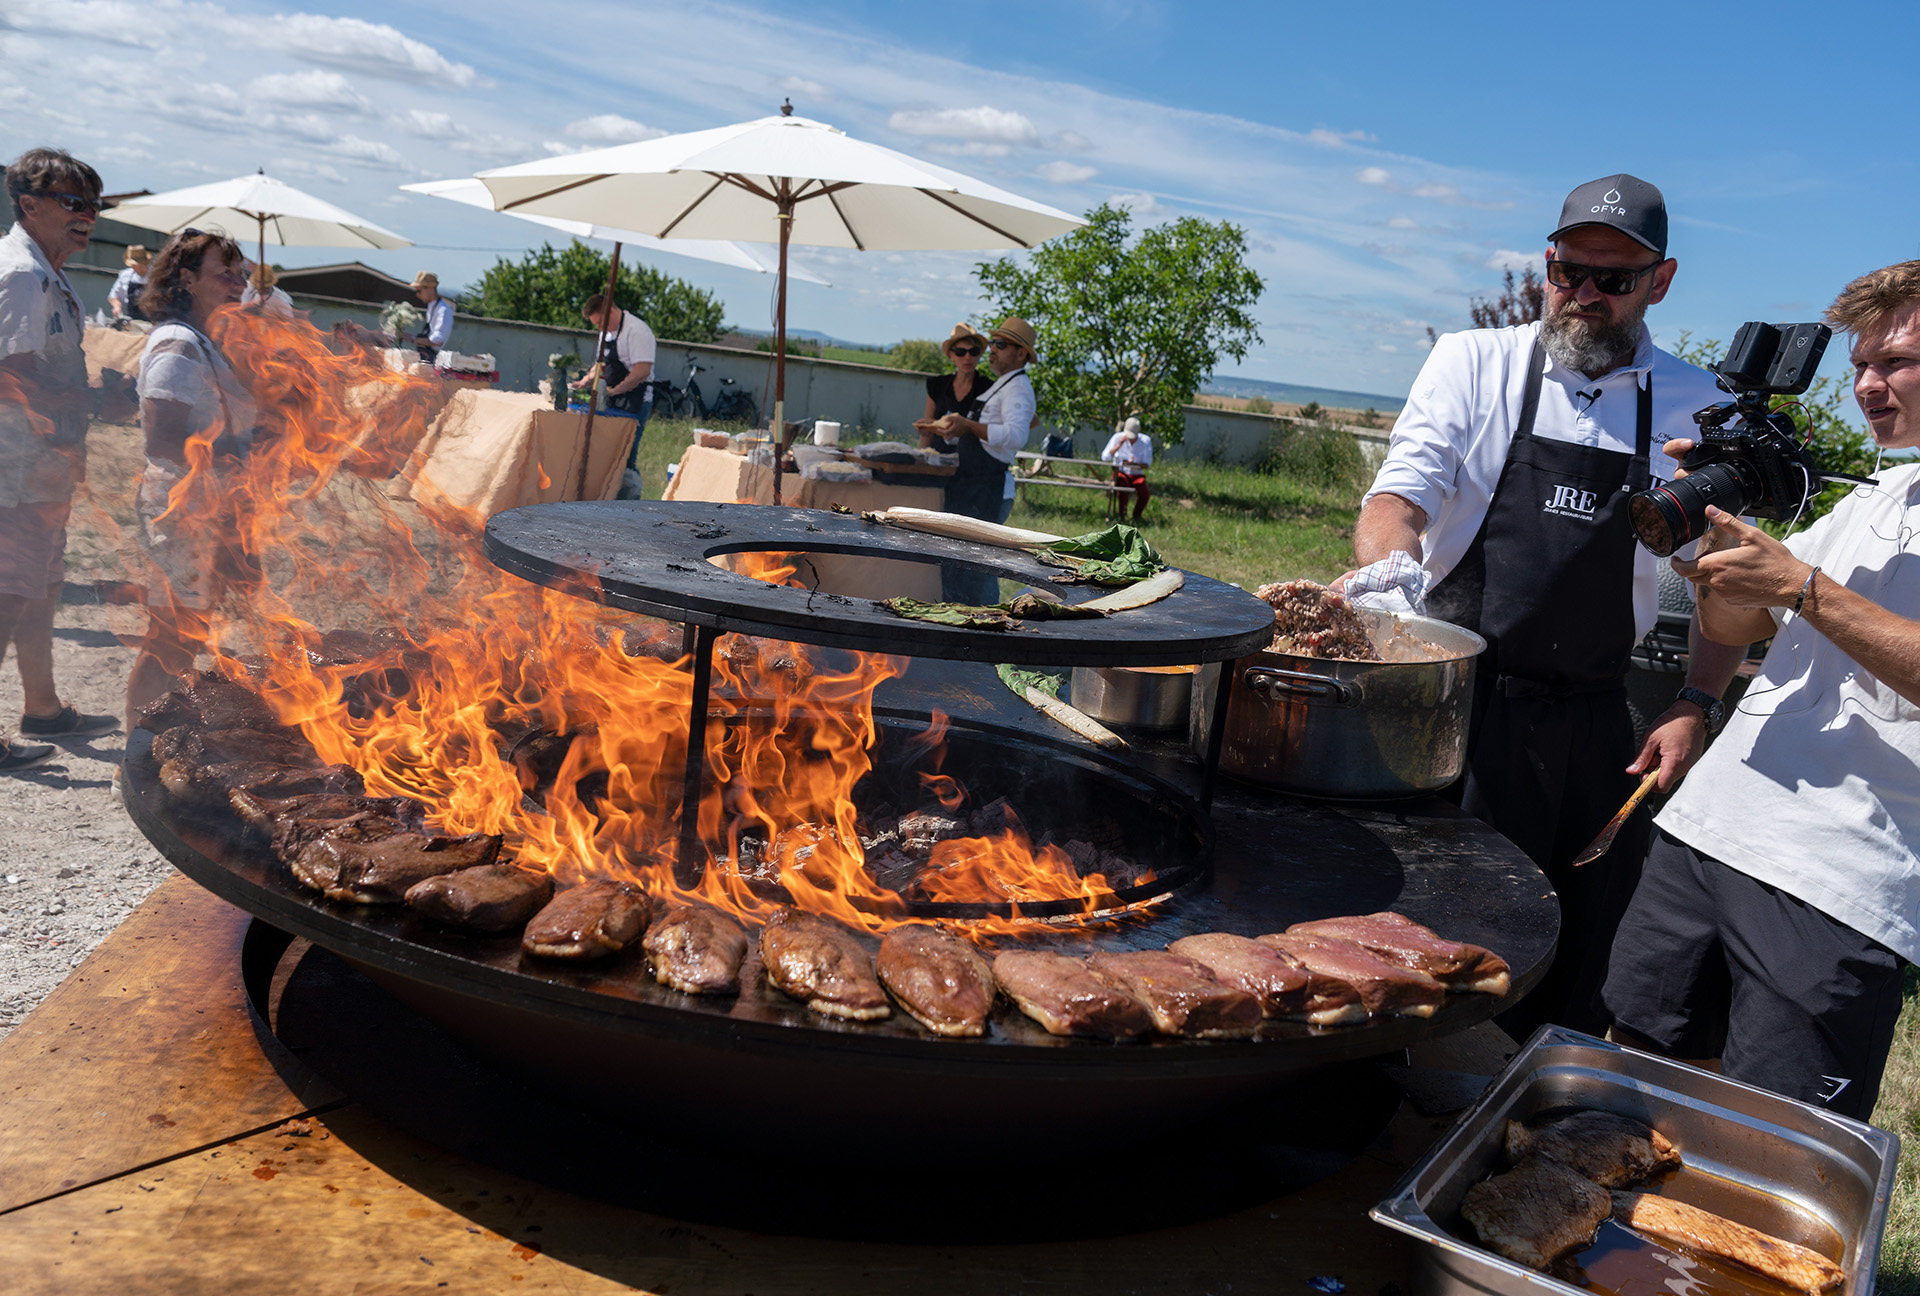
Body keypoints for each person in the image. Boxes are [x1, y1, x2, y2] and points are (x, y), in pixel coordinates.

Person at [1338, 174, 1746, 1036]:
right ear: (1547, 263)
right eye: (1569, 273)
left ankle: (1527, 1116)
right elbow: (1399, 500)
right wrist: (1389, 578)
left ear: (1660, 283)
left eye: (1614, 280)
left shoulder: (1694, 403)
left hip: (1602, 723)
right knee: (1430, 941)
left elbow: (1724, 577)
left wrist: (1697, 702)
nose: (1585, 295)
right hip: (1460, 708)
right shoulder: (1472, 361)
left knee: (1569, 957)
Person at [1602, 261, 1920, 1120]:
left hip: (1838, 876)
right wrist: (1712, 557)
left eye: (1894, 361)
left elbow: (1798, 594)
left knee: (1768, 1143)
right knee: (1633, 1074)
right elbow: (1741, 627)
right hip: (1713, 830)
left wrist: (1801, 586)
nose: (1866, 385)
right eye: (1859, 364)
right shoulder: (1881, 494)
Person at [0, 148, 125, 772]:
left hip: (43, 463)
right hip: (13, 463)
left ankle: (43, 707)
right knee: (8, 589)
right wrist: (90, 396)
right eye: (73, 202)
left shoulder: (50, 276)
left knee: (42, 586)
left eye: (94, 204)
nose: (89, 215)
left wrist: (98, 399)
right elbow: (9, 374)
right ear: (30, 204)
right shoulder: (20, 274)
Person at [125, 230, 260, 723]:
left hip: (209, 504)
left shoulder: (205, 341)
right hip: (183, 507)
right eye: (224, 273)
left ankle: (155, 732)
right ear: (186, 278)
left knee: (189, 633)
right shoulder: (179, 342)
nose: (238, 282)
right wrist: (230, 457)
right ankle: (135, 748)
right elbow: (162, 437)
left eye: (240, 273)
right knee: (170, 637)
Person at [918, 316, 1037, 605]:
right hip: (970, 485)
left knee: (975, 570)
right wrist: (950, 432)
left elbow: (1015, 436)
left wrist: (968, 426)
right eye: (993, 343)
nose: (991, 350)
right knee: (962, 566)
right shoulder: (1002, 385)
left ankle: (980, 627)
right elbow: (980, 436)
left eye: (1000, 344)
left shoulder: (1017, 389)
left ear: (1020, 354)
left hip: (984, 489)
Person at [573, 293, 656, 500]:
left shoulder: (637, 331)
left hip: (636, 400)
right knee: (608, 454)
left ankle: (631, 504)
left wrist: (614, 390)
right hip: (613, 400)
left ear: (610, 310)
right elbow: (599, 365)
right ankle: (607, 501)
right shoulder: (605, 333)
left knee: (626, 458)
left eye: (601, 322)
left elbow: (643, 370)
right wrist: (584, 381)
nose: (600, 328)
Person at [1101, 415, 1152, 520]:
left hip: (1136, 474)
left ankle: (1136, 516)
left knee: (1144, 494)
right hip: (1121, 472)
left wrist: (1134, 465)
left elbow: (1147, 464)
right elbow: (1105, 457)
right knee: (1123, 488)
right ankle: (1122, 516)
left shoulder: (1146, 441)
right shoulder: (1117, 438)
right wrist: (1119, 445)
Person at [411, 271, 453, 365]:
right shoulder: (432, 307)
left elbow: (437, 340)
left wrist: (411, 338)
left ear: (430, 288)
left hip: (432, 361)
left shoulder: (443, 310)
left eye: (419, 291)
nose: (417, 295)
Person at [108, 244, 150, 324]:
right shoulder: (125, 275)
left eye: (140, 265)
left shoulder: (156, 276)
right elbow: (114, 295)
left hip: (152, 321)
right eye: (133, 265)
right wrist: (117, 306)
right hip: (132, 320)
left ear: (147, 263)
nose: (136, 268)